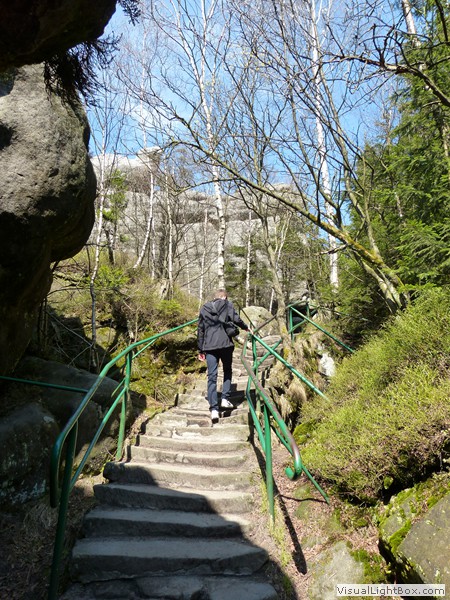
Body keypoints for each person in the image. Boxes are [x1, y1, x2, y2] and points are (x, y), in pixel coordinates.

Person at [197, 289, 251, 423]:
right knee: (227, 370)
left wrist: (200, 350)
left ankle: (214, 409)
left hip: (209, 346)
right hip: (225, 344)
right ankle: (225, 398)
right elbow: (236, 319)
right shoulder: (227, 305)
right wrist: (245, 327)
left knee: (212, 376)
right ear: (225, 297)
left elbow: (200, 329)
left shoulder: (204, 308)